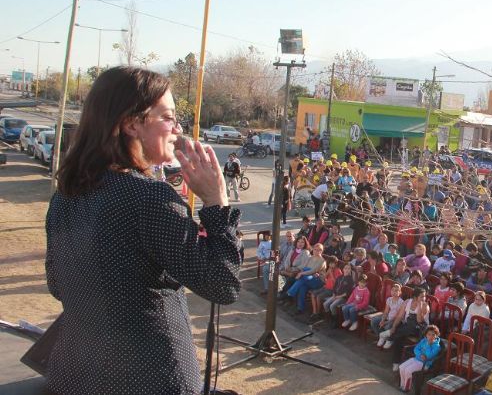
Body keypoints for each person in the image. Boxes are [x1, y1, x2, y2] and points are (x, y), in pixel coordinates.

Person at [46, 67, 242, 394]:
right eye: (168, 117)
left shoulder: (65, 196)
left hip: (76, 375)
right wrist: (216, 202)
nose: (178, 128)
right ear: (131, 123)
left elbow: (57, 284)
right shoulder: (148, 197)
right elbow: (223, 284)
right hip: (152, 378)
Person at [388, 289, 431, 371]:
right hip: (407, 328)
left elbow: (419, 320)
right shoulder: (407, 302)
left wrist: (420, 306)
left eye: (424, 296)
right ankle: (396, 362)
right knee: (398, 338)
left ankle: (390, 337)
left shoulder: (425, 306)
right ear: (415, 297)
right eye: (422, 296)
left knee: (407, 327)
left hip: (420, 330)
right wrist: (393, 327)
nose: (424, 298)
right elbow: (400, 316)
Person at [398, 325, 443, 392]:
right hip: (416, 359)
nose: (431, 336)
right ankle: (402, 385)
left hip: (424, 363)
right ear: (426, 335)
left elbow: (429, 356)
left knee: (408, 370)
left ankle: (406, 388)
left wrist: (428, 345)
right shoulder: (423, 341)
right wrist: (420, 354)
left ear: (436, 335)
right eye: (429, 334)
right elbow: (416, 349)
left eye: (433, 335)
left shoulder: (437, 346)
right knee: (401, 367)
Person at [285, 243, 327, 315]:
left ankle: (291, 292)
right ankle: (300, 309)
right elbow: (304, 268)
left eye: (319, 250)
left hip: (318, 281)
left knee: (303, 277)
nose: (316, 251)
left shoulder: (322, 261)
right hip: (309, 279)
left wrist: (301, 274)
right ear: (313, 249)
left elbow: (313, 270)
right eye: (315, 249)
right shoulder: (310, 258)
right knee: (302, 287)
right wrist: (302, 272)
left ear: (321, 251)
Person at [309, 256, 342, 322]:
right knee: (313, 294)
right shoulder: (329, 269)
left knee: (318, 297)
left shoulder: (338, 271)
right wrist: (320, 275)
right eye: (330, 263)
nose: (331, 265)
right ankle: (314, 311)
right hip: (325, 287)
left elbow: (337, 283)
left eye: (333, 263)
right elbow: (325, 278)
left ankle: (318, 313)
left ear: (336, 263)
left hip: (331, 290)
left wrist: (331, 274)